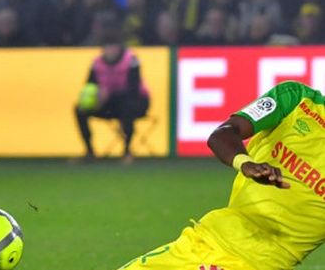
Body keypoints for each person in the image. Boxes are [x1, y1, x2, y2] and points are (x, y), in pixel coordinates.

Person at [117, 80, 325, 270]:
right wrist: (246, 163)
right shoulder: (297, 99)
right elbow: (224, 133)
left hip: (256, 263)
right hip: (203, 237)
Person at [73, 30, 149, 162]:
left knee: (127, 107)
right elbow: (90, 86)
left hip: (136, 102)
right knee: (79, 109)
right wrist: (94, 98)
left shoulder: (131, 60)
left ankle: (127, 151)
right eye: (108, 47)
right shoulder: (96, 63)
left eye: (114, 46)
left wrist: (107, 95)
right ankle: (90, 151)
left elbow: (133, 89)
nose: (111, 50)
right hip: (107, 104)